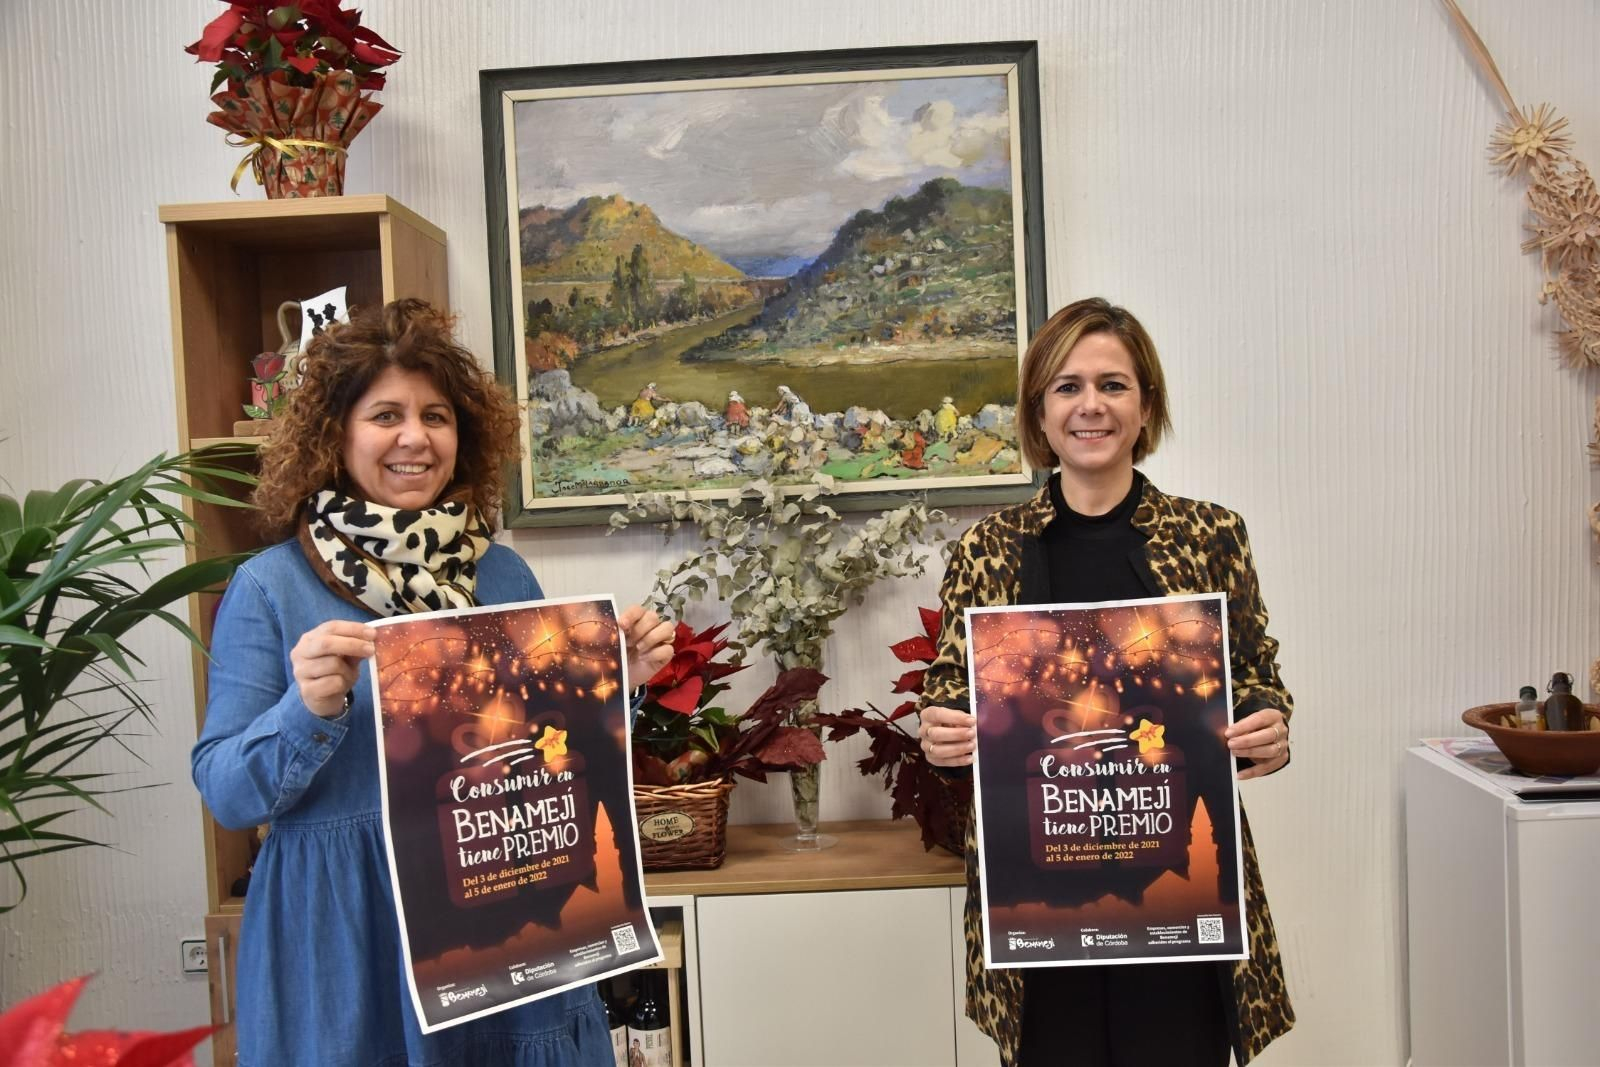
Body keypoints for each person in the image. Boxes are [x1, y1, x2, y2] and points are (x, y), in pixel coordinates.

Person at [192, 299, 674, 1066]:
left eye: (436, 416)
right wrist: (305, 708)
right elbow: (225, 788)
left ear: (464, 435)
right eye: (386, 414)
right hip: (349, 932)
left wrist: (624, 684)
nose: (415, 437)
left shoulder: (502, 571)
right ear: (337, 433)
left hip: (501, 909)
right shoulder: (270, 587)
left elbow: (550, 750)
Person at [918, 297, 1294, 1067]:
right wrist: (941, 730)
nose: (1091, 405)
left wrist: (1267, 722)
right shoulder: (987, 548)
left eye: (1114, 384)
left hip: (1177, 884)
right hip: (1037, 892)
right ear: (1040, 410)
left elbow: (1256, 675)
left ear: (1145, 403)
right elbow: (951, 692)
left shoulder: (1211, 534)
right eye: (1068, 386)